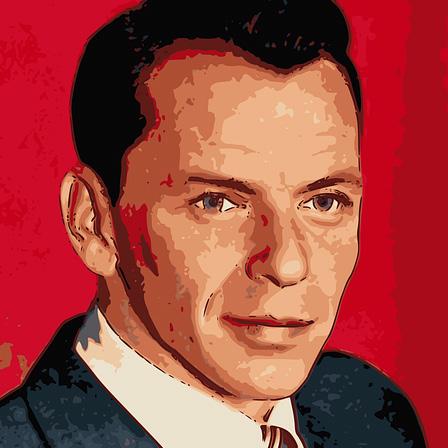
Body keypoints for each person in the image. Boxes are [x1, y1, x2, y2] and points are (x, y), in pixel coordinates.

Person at [0, 0, 426, 446]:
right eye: (217, 203)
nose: (287, 264)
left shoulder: (370, 414)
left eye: (324, 202)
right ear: (94, 223)